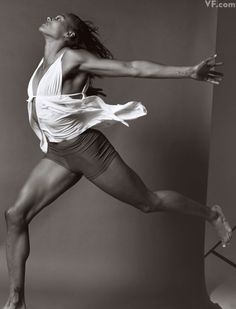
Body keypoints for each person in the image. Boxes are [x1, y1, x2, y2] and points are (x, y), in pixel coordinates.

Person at [2, 12, 232, 309]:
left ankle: (211, 214)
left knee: (148, 202)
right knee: (15, 215)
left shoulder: (72, 59)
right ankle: (16, 299)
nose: (51, 17)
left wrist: (188, 71)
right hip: (59, 154)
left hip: (87, 150)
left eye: (59, 18)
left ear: (69, 35)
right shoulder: (43, 64)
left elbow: (131, 68)